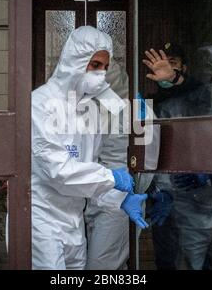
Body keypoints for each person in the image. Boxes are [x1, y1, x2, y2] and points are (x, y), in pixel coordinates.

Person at [31, 26, 149, 270]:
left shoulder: (90, 112)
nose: (101, 74)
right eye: (94, 65)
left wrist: (118, 200)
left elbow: (89, 170)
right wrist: (112, 178)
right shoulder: (40, 103)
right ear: (74, 61)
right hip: (41, 222)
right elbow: (59, 172)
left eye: (105, 67)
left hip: (73, 223)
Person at [145, 45, 212, 270]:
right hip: (185, 211)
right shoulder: (170, 111)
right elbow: (159, 161)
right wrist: (162, 193)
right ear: (201, 73)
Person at [84, 61, 130, 270]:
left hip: (116, 200)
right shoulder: (86, 113)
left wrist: (154, 190)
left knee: (100, 265)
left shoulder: (136, 112)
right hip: (87, 198)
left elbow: (150, 158)